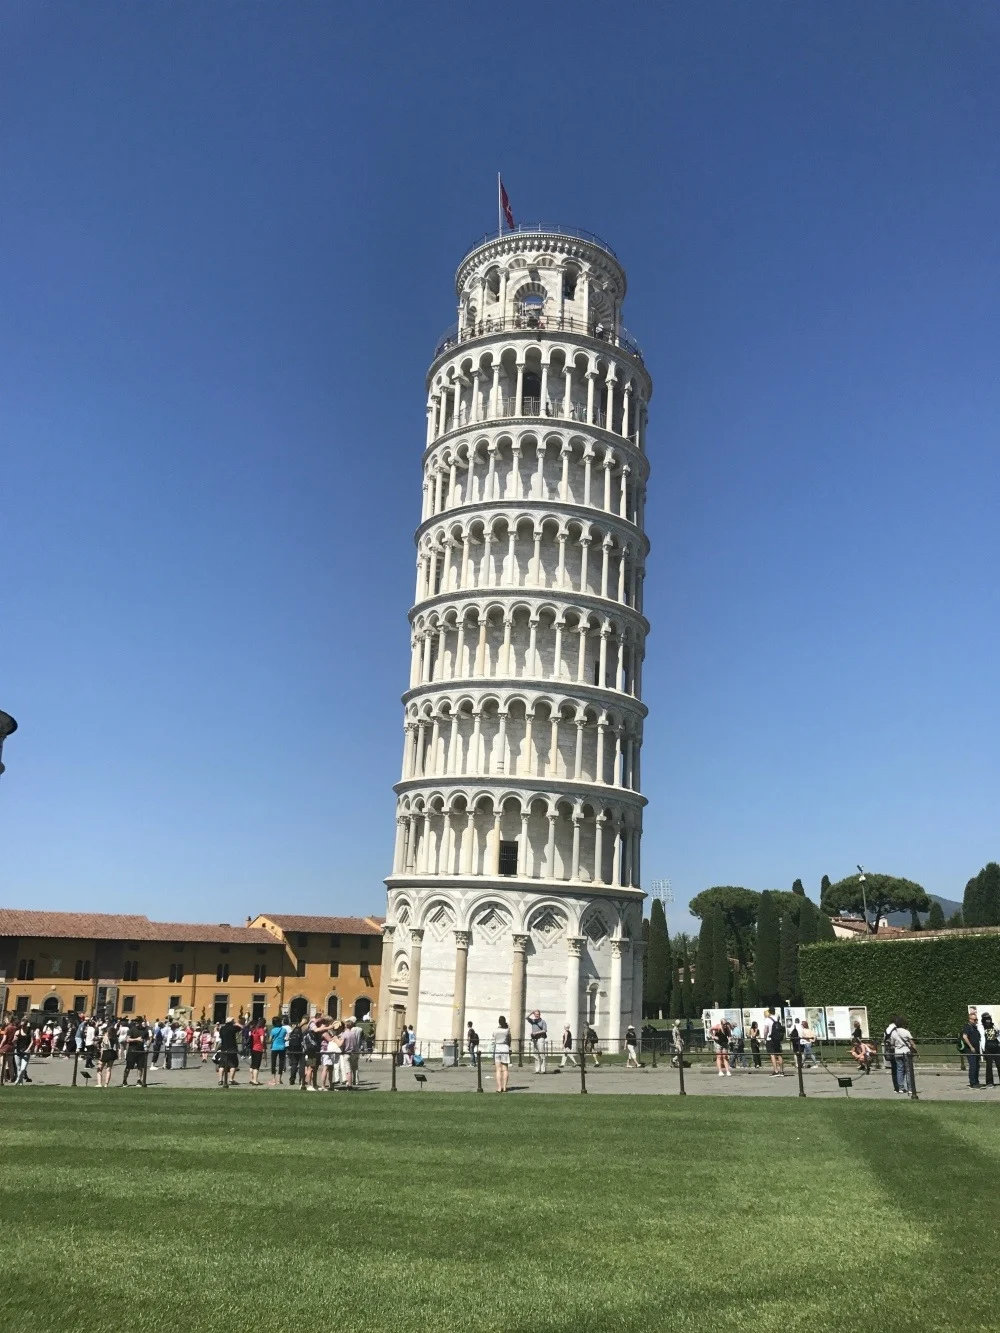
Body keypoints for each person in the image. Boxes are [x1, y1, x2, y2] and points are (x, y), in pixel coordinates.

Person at [888, 1015, 916, 1093]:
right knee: (908, 1070)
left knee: (899, 1070)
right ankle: (910, 1088)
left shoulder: (893, 1032)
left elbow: (892, 1043)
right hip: (906, 1052)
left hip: (897, 1052)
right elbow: (912, 1043)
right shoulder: (906, 1032)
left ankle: (901, 1088)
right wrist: (916, 1051)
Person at [122, 1015, 150, 1087]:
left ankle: (139, 1080)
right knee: (128, 1067)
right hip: (132, 1050)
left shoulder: (145, 1030)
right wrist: (136, 1039)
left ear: (141, 1022)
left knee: (140, 1066)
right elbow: (127, 1039)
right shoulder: (131, 1030)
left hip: (141, 1050)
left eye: (138, 1021)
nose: (137, 1023)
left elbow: (148, 1039)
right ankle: (124, 1080)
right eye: (136, 1021)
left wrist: (147, 1045)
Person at [217, 1015, 240, 1088]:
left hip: (224, 1048)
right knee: (233, 1064)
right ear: (232, 1021)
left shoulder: (222, 1028)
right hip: (232, 1048)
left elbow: (221, 1036)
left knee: (222, 1065)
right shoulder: (233, 1028)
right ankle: (231, 1079)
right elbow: (241, 1027)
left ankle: (220, 1080)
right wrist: (236, 1023)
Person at [961, 1011, 982, 1089]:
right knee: (973, 1066)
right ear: (970, 1019)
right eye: (975, 1019)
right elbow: (964, 1037)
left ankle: (976, 1081)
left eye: (976, 1019)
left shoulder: (974, 1027)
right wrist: (971, 1046)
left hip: (976, 1049)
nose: (976, 1021)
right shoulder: (967, 1027)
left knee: (977, 1066)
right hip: (970, 1050)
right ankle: (972, 1083)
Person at [341, 1017, 362, 1089]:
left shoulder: (344, 1034)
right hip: (355, 1052)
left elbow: (341, 1044)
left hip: (347, 1053)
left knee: (348, 1070)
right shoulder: (353, 1033)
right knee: (355, 1068)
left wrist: (336, 1039)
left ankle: (349, 1085)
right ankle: (356, 1080)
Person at [763, 1009, 785, 1076]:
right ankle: (781, 1071)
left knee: (772, 1054)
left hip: (770, 1038)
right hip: (777, 1039)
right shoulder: (777, 1018)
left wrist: (765, 1037)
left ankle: (776, 1071)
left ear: (769, 1012)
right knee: (779, 1054)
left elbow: (766, 1030)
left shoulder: (767, 1019)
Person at [268, 1016, 289, 1086]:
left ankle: (273, 1079)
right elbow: (286, 1038)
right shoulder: (284, 1030)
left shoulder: (273, 1030)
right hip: (282, 1047)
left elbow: (270, 1040)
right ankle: (279, 1079)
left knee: (273, 1063)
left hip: (274, 1047)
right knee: (281, 1063)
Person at [492, 1015, 511, 1092]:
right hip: (505, 1047)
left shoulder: (495, 1030)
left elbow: (494, 1038)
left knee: (498, 1069)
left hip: (498, 1048)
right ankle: (505, 1087)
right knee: (505, 1069)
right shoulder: (507, 1030)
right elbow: (509, 1039)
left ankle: (499, 1088)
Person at [98, 1020, 120, 1087]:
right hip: (112, 1052)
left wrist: (100, 1057)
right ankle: (106, 1084)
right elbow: (117, 1046)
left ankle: (99, 1084)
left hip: (105, 1052)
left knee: (99, 1069)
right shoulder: (115, 1037)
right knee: (109, 1069)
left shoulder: (106, 1036)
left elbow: (104, 1045)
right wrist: (117, 1054)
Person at [983, 1013, 1000, 1088]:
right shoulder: (981, 1027)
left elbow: (998, 1035)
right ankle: (989, 1082)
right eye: (986, 1019)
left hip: (996, 1048)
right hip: (987, 1048)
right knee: (989, 1066)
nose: (988, 1021)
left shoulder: (994, 1026)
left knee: (999, 1065)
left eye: (989, 1019)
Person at [286, 1018, 305, 1087]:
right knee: (301, 1066)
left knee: (294, 1065)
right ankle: (301, 1080)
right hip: (300, 1050)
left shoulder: (292, 1033)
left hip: (293, 1051)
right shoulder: (301, 1033)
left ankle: (292, 1080)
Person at [248, 1018, 266, 1086]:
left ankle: (251, 1078)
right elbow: (262, 1040)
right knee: (256, 1066)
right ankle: (255, 1080)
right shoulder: (261, 1030)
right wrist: (264, 1046)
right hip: (258, 1048)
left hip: (253, 1048)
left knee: (252, 1065)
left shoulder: (254, 1029)